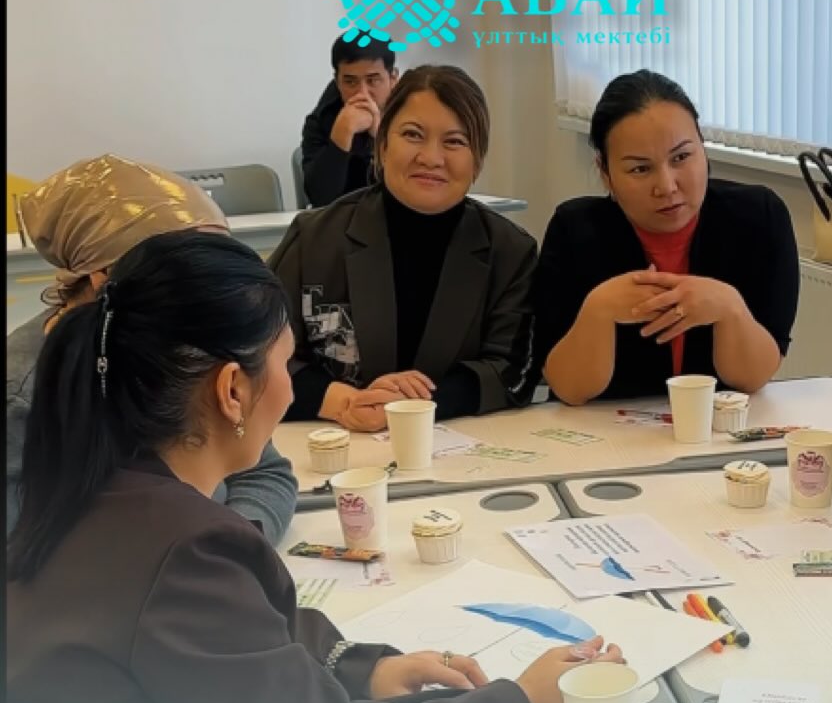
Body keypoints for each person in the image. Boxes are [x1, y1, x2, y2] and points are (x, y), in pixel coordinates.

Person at [7, 228, 619, 703]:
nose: (290, 390)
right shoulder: (183, 543)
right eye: (283, 362)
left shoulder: (96, 482)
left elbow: (205, 636)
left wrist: (360, 666)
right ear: (232, 391)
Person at [6, 155, 298, 544]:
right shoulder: (22, 397)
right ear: (104, 279)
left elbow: (264, 471)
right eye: (188, 274)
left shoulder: (193, 347)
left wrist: (231, 546)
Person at [271, 64, 537, 428]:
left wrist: (412, 406)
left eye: (454, 141)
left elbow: (513, 371)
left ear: (477, 160)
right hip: (332, 439)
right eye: (413, 135)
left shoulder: (510, 251)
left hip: (458, 441)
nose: (431, 158)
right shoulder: (313, 239)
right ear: (382, 144)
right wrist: (344, 401)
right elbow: (255, 359)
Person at [533, 70, 800, 404]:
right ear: (605, 172)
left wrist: (730, 308)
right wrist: (598, 311)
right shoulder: (574, 231)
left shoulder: (759, 219)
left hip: (717, 426)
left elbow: (751, 379)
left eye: (681, 157)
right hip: (604, 429)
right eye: (640, 169)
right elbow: (570, 389)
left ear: (703, 148)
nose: (667, 186)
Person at [300, 35, 398, 207]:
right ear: (337, 82)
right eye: (350, 82)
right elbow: (320, 200)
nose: (362, 94)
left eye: (373, 80)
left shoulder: (411, 112)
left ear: (393, 79)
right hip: (343, 217)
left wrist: (379, 138)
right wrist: (342, 135)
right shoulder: (322, 119)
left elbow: (414, 190)